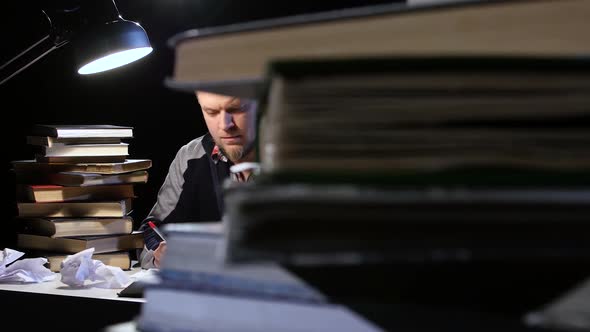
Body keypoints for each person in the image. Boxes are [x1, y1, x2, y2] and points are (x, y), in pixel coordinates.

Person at [138, 90, 258, 268]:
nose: (225, 124)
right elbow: (152, 229)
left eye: (237, 109)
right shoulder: (191, 156)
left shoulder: (300, 160)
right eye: (211, 112)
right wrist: (160, 255)